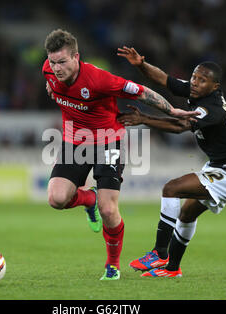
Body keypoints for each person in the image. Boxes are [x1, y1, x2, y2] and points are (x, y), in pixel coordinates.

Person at [43, 30, 199, 280]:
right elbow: (52, 84)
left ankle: (112, 265)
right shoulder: (48, 71)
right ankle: (89, 199)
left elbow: (140, 91)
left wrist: (172, 110)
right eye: (52, 62)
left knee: (108, 211)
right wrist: (53, 91)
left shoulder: (98, 79)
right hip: (74, 140)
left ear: (76, 57)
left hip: (107, 140)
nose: (57, 68)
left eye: (62, 62)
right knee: (56, 199)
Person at [117, 46, 226, 278]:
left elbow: (180, 127)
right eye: (194, 77)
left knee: (171, 188)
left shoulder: (212, 108)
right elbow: (164, 79)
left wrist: (143, 119)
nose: (195, 82)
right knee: (186, 215)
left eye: (202, 80)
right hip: (219, 167)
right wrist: (140, 64)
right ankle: (173, 269)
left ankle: (160, 253)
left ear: (214, 86)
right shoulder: (196, 92)